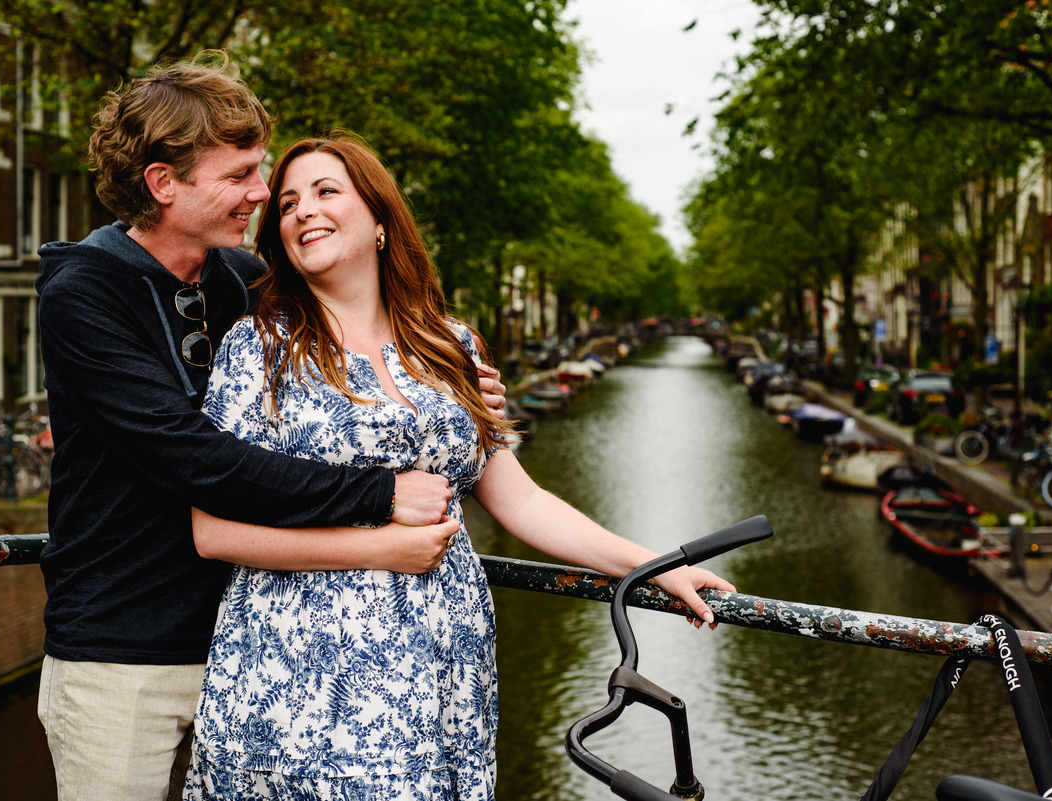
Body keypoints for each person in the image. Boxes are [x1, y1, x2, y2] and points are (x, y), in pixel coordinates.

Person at [182, 131, 736, 800]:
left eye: (327, 191)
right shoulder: (259, 348)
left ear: (380, 219)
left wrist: (657, 567)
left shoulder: (450, 345)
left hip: (442, 668)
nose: (304, 210)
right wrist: (380, 549)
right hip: (302, 679)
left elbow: (521, 500)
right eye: (289, 203)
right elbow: (213, 531)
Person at [34, 54, 507, 801]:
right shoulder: (84, 294)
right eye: (241, 175)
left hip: (252, 644)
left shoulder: (241, 281)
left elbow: (343, 342)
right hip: (122, 649)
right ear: (163, 183)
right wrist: (381, 494)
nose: (262, 192)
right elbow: (197, 458)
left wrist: (455, 381)